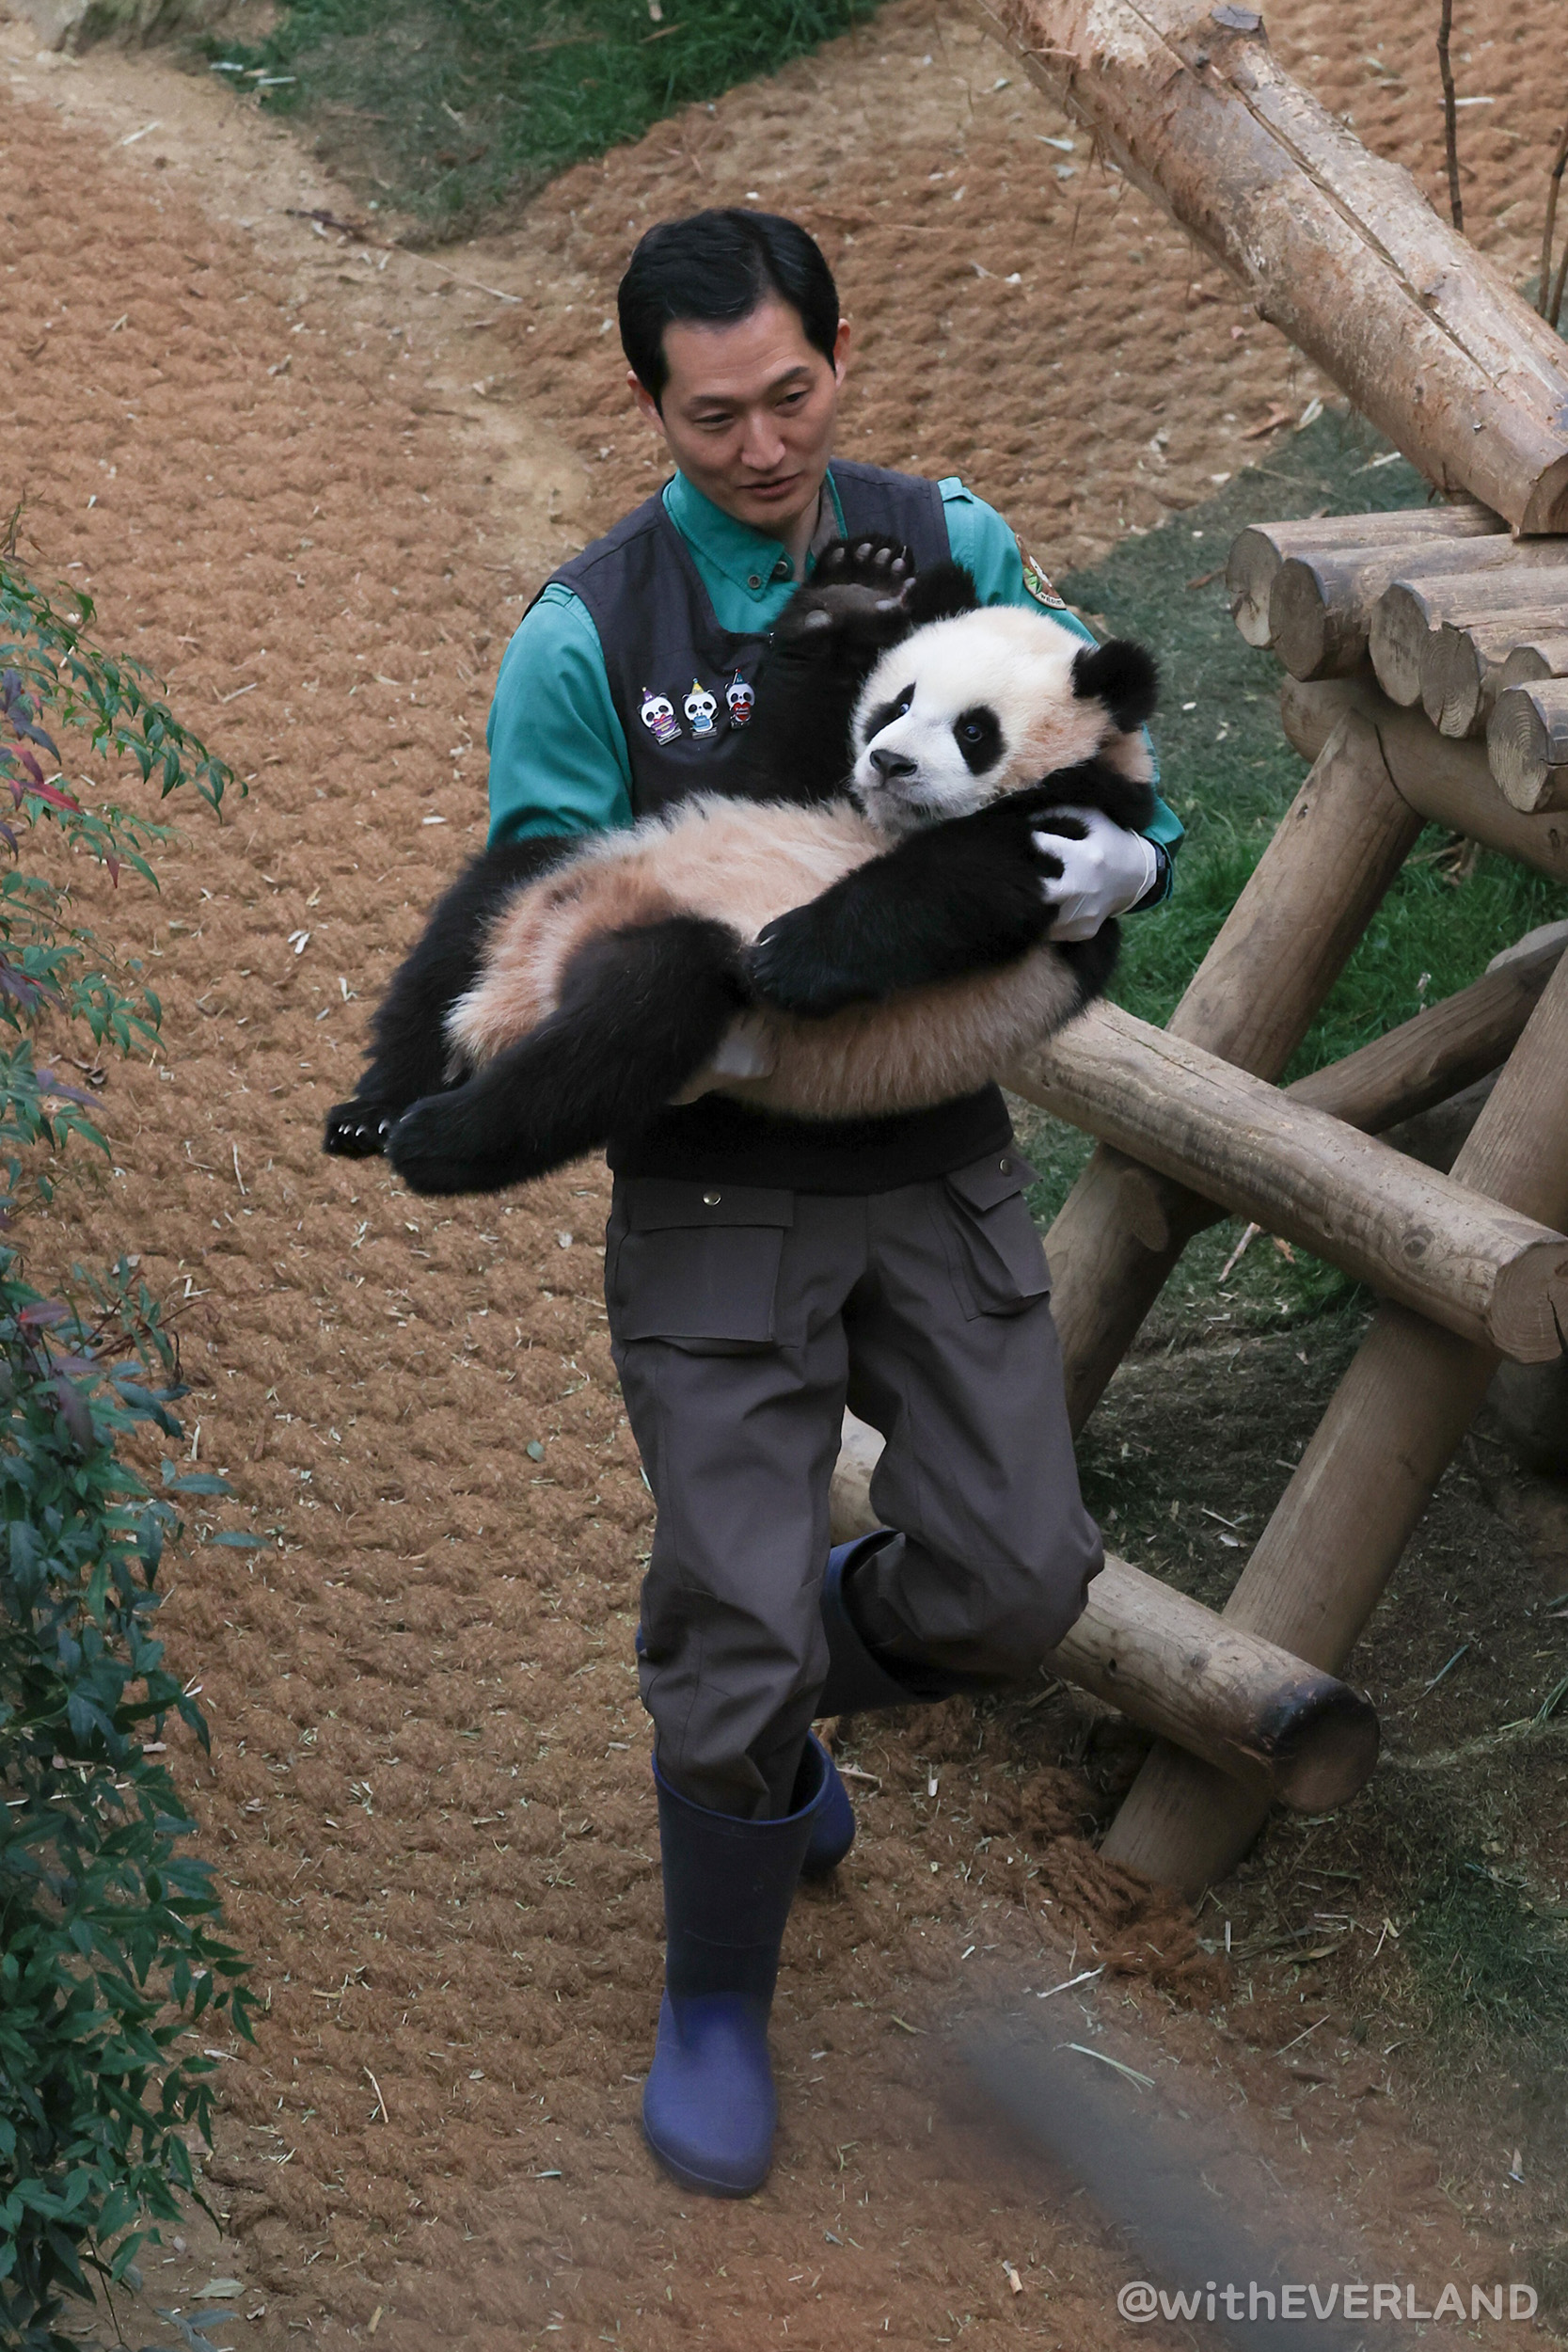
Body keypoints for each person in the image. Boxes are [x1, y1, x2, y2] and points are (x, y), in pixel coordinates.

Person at [484, 209, 1181, 2199]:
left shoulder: (950, 541)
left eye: (792, 396)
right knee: (729, 1626)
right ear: (649, 406)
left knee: (1017, 1582)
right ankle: (717, 1987)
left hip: (936, 1159)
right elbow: (545, 923)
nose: (765, 447)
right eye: (715, 418)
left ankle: (769, 1694)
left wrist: (1122, 853)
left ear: (839, 358)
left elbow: (1107, 756)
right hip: (716, 1193)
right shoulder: (587, 638)